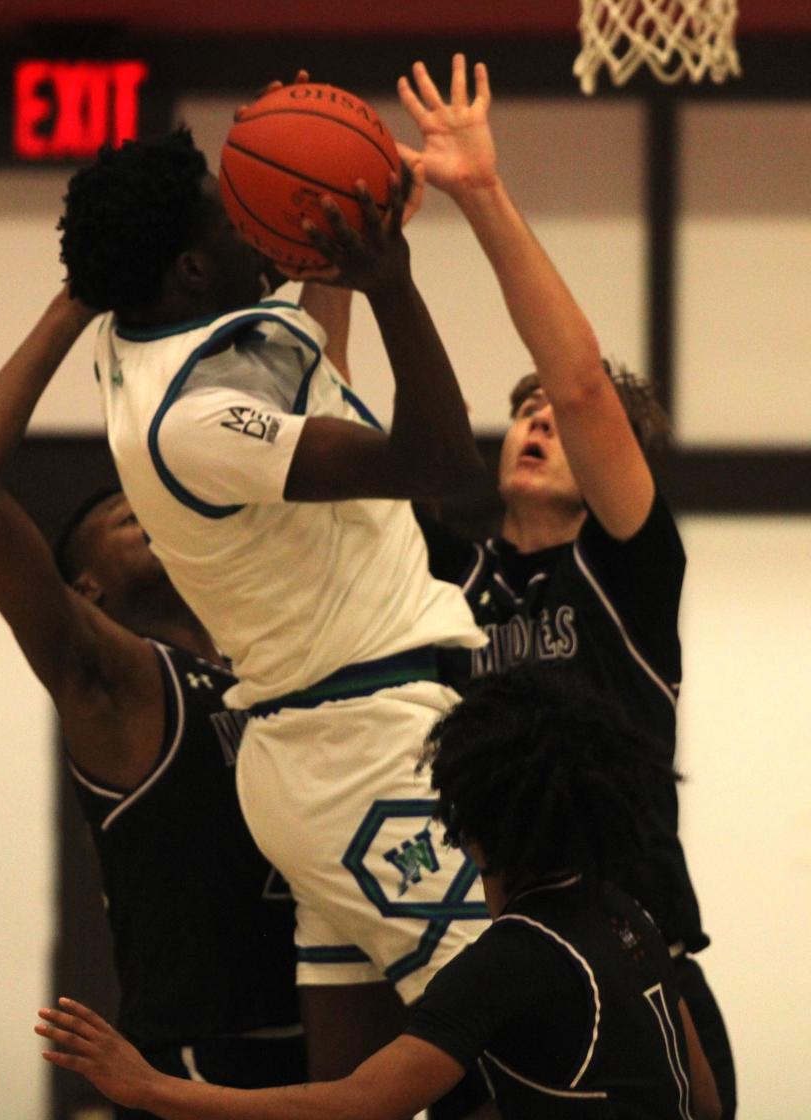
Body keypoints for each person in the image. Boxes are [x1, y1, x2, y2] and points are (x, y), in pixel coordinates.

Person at [56, 120, 501, 1089]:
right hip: (367, 753)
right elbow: (443, 466)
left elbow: (297, 390)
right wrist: (392, 281)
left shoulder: (155, 341)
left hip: (323, 751)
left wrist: (331, 238)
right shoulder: (196, 418)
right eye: (233, 212)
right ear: (188, 267)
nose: (250, 220)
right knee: (526, 1041)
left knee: (352, 1090)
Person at [387, 54, 735, 1116]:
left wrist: (480, 191)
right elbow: (349, 445)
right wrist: (364, 262)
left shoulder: (625, 564)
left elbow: (581, 379)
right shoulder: (457, 574)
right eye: (524, 409)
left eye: (563, 419)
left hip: (640, 944)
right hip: (502, 944)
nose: (540, 416)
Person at [34, 665, 723, 1120]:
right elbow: (706, 1100)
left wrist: (151, 1088)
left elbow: (361, 1105)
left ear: (467, 818)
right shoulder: (626, 911)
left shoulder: (510, 960)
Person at [0, 289, 306, 1113]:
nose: (145, 510)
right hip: (194, 1066)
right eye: (119, 514)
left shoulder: (277, 659)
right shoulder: (117, 685)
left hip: (327, 1049)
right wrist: (80, 300)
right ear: (86, 587)